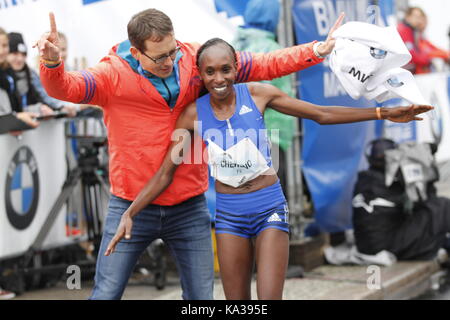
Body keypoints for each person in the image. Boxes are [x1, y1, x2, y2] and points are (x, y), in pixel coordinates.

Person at [36, 9, 344, 300]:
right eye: (160, 57)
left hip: (188, 205)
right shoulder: (110, 75)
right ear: (136, 52)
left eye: (173, 51)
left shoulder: (194, 61)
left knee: (200, 300)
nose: (170, 61)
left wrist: (317, 50)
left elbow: (263, 63)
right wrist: (52, 66)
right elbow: (67, 89)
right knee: (106, 293)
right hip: (132, 204)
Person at [104, 38, 432, 300]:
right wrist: (130, 212)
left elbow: (321, 114)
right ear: (200, 75)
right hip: (230, 215)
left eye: (226, 69)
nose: (219, 79)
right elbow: (165, 173)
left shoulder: (258, 94)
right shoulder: (192, 115)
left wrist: (382, 114)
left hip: (268, 207)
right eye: (210, 72)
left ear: (236, 69)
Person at [232, 0, 295, 196]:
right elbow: (280, 100)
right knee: (272, 209)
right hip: (269, 138)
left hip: (234, 141)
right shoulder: (272, 48)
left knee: (243, 205)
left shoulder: (232, 46)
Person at [0, 27, 39, 131]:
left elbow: (15, 109)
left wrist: (39, 109)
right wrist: (14, 119)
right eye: (15, 54)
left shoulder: (8, 74)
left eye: (4, 46)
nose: (1, 50)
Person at [397, 7, 450, 74]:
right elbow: (411, 55)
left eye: (420, 18)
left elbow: (431, 48)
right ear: (408, 17)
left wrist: (445, 54)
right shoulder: (404, 30)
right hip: (407, 71)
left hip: (410, 71)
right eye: (416, 17)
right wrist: (428, 59)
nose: (419, 20)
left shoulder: (413, 31)